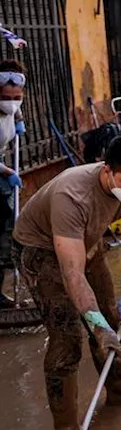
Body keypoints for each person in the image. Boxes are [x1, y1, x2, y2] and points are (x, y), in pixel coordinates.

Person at [15, 134, 121, 430]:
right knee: (68, 337)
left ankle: (120, 387)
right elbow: (71, 274)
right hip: (41, 250)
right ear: (106, 170)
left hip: (86, 241)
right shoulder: (72, 195)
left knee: (111, 316)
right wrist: (95, 324)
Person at [0, 60, 27, 307]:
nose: (12, 101)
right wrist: (7, 171)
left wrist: (19, 117)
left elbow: (16, 109)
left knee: (9, 224)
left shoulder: (13, 107)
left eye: (16, 96)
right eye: (6, 97)